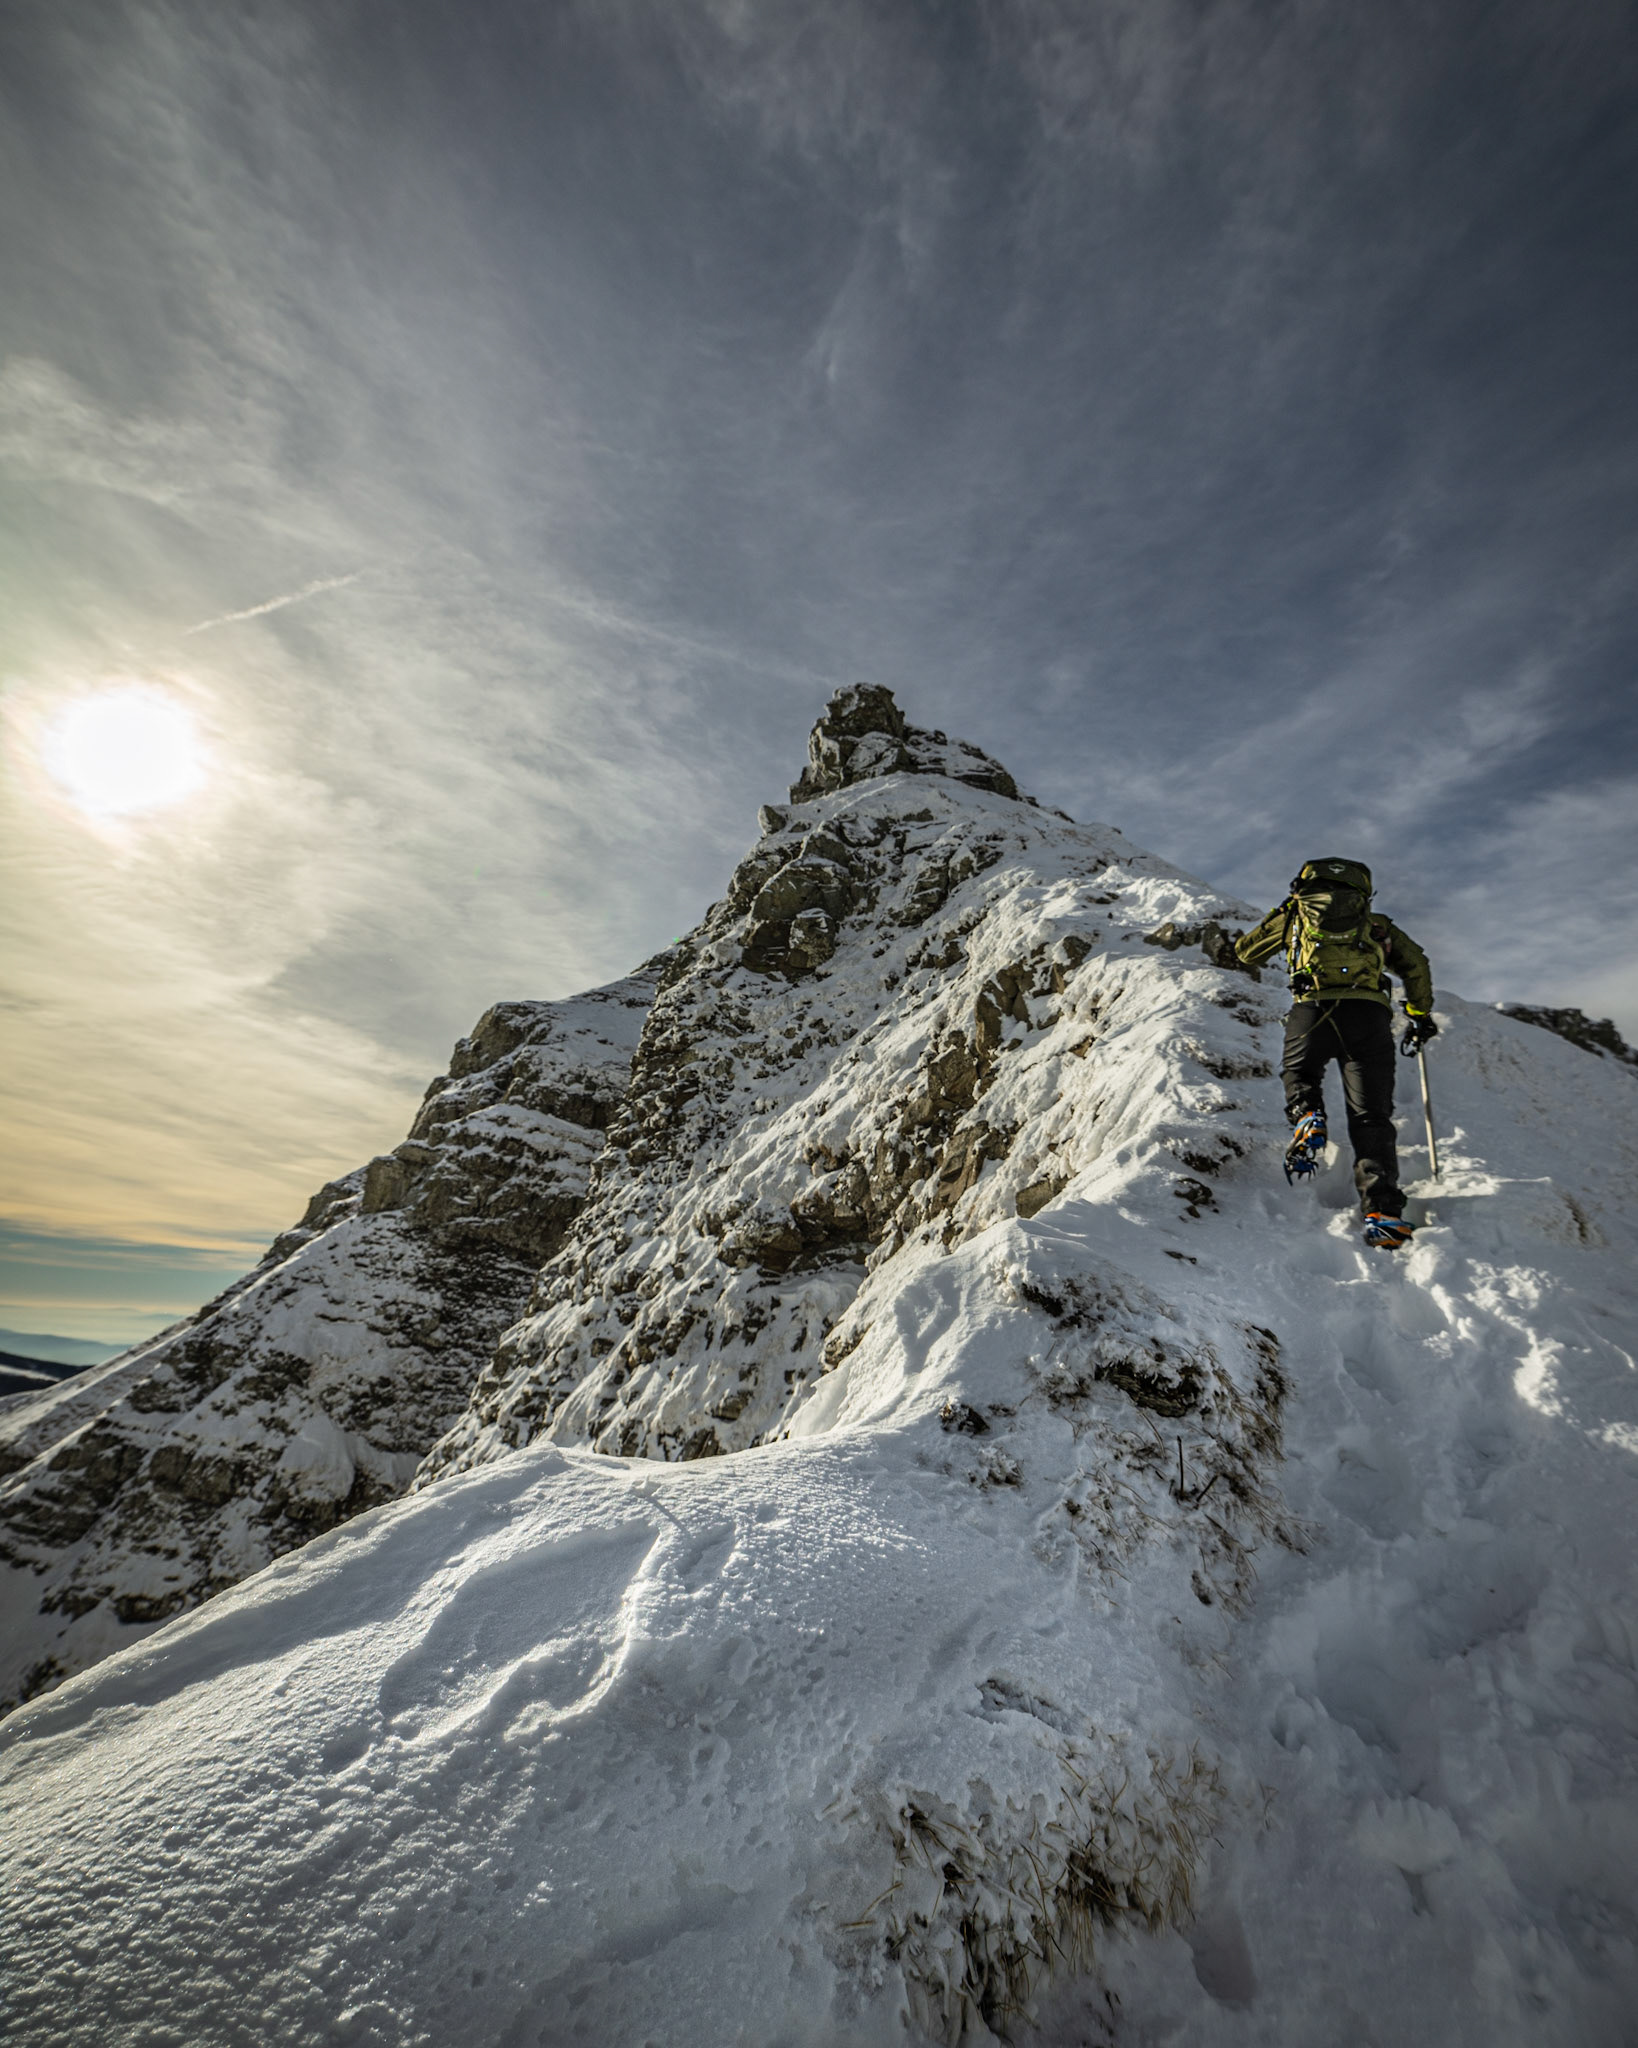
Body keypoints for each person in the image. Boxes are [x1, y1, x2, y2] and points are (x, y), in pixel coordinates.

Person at [1234, 857, 1436, 1251]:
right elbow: (1417, 965)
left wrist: (1286, 909)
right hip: (1368, 1017)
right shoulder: (1377, 924)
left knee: (1300, 1072)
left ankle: (1307, 1113)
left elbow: (1246, 953)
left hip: (1312, 1011)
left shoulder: (1294, 918)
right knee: (1370, 1117)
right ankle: (1383, 1215)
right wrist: (1418, 1013)